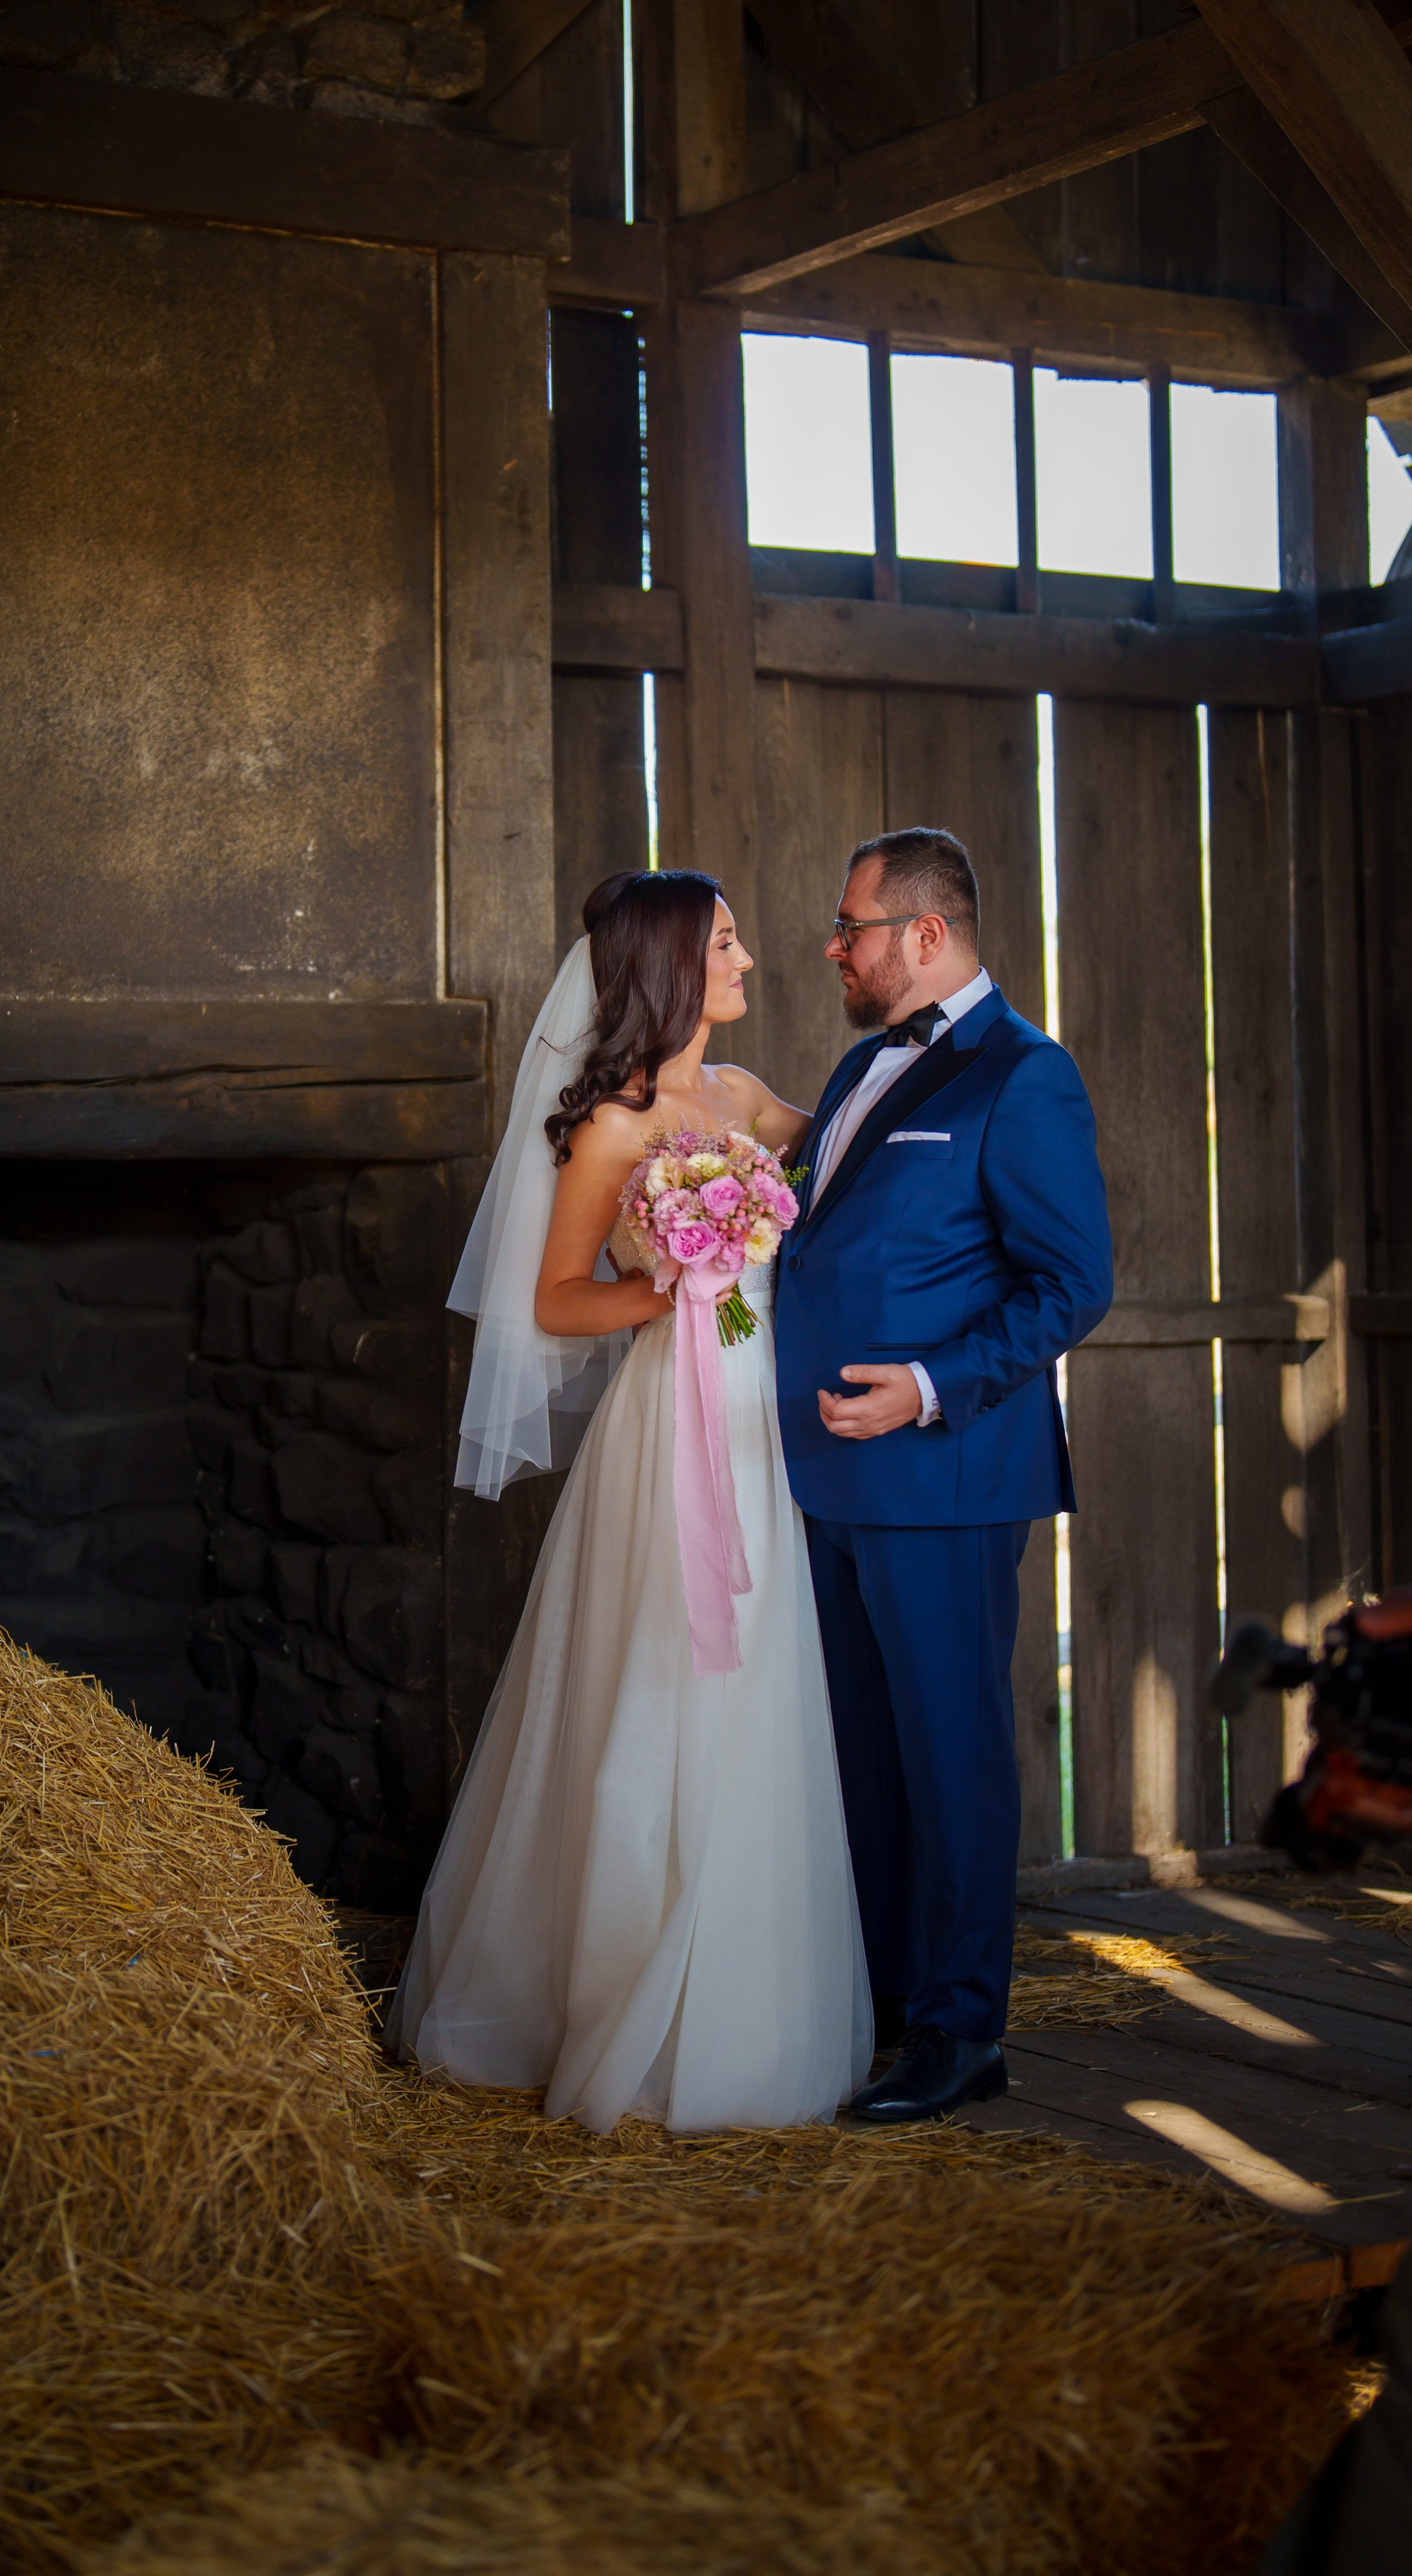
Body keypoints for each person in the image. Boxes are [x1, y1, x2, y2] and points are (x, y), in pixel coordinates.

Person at [388, 869, 872, 2133]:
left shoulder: (751, 1100)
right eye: (724, 942)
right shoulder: (610, 1126)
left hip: (763, 1426)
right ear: (669, 963)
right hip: (669, 1421)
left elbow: (853, 1163)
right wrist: (673, 1290)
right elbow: (553, 1300)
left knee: (760, 1675)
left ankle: (753, 2006)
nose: (750, 960)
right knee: (661, 1684)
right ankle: (626, 2009)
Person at [774, 827, 1112, 2125]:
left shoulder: (1025, 1076)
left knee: (952, 1755)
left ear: (926, 934)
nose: (835, 947)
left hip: (945, 1478)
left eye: (853, 926)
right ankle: (894, 2003)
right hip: (824, 1481)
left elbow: (1073, 1284)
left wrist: (925, 1390)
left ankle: (964, 2036)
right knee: (861, 1756)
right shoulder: (864, 1061)